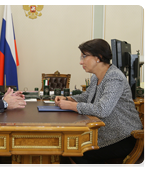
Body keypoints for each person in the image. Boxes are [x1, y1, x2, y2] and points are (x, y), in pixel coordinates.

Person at [55, 39, 143, 167]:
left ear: (98, 57)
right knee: (70, 147)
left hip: (123, 137)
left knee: (75, 151)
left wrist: (72, 106)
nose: (81, 61)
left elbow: (102, 109)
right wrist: (68, 99)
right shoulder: (96, 76)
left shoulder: (114, 77)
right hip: (104, 134)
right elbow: (87, 96)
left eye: (84, 56)